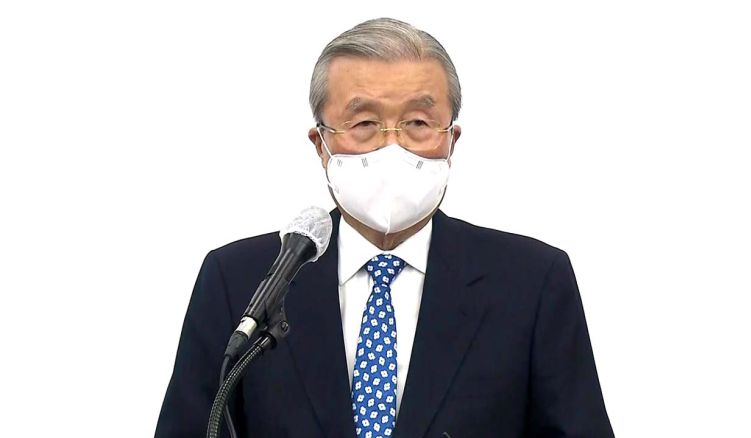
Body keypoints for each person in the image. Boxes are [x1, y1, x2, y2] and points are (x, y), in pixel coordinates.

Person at [155, 17, 614, 438]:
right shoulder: (239, 280)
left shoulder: (532, 282)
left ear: (451, 140)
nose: (392, 146)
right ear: (321, 145)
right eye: (364, 123)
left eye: (418, 123)